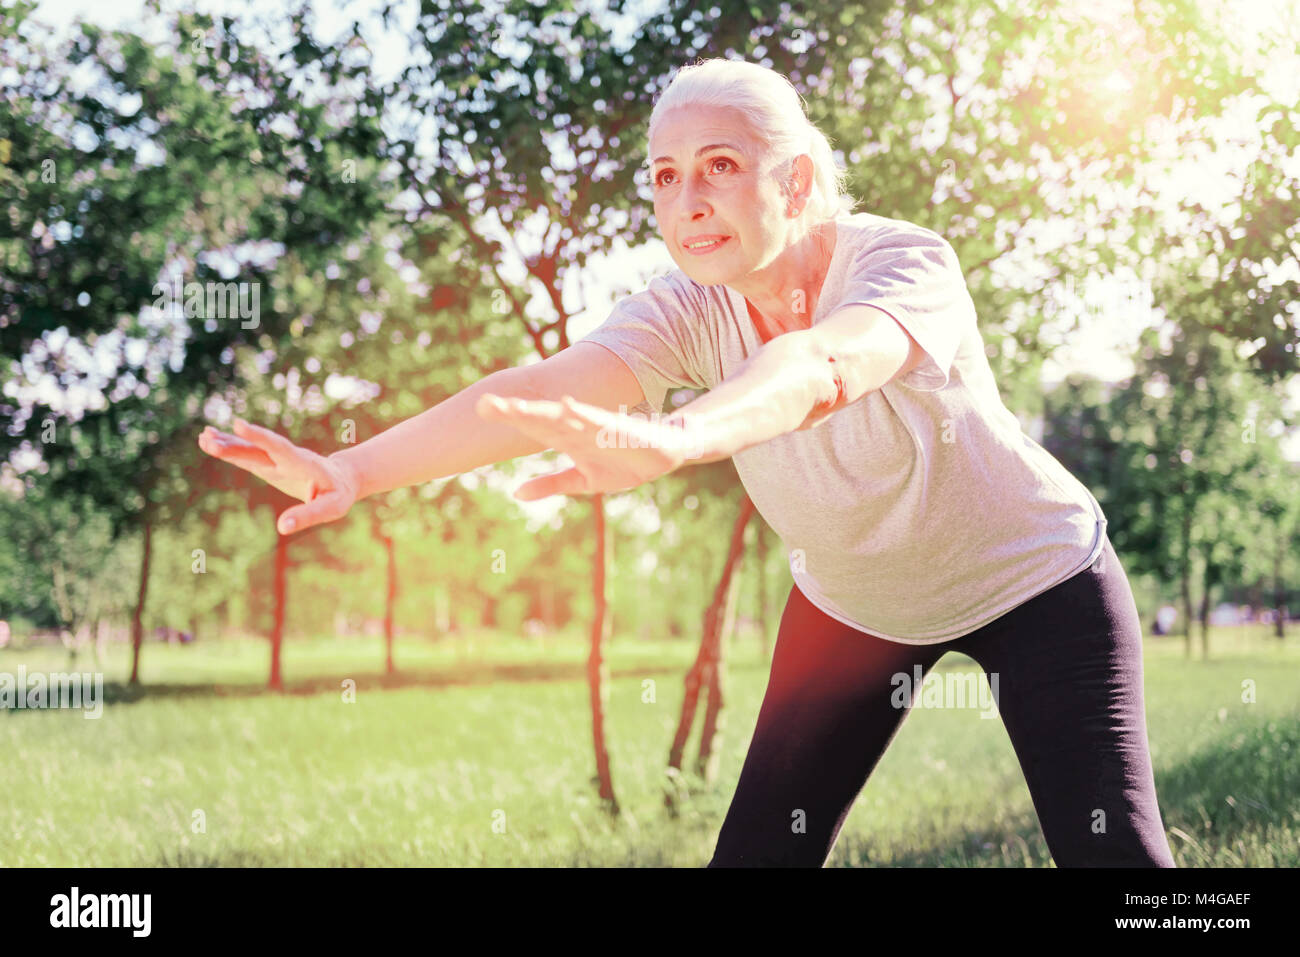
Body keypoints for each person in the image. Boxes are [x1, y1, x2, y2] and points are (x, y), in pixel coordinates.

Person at [199, 57, 1176, 868]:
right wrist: (356, 472)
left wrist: (676, 438)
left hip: (1035, 583)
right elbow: (541, 389)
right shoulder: (681, 308)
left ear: (792, 182)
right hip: (852, 612)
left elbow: (819, 367)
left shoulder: (901, 264)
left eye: (718, 166)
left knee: (1118, 864)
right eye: (665, 176)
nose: (688, 200)